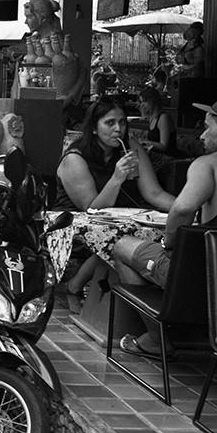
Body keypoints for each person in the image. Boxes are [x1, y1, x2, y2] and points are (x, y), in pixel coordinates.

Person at [113, 95, 217, 357]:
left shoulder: (208, 164)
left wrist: (169, 244)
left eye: (207, 128)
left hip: (203, 279)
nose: (201, 136)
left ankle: (157, 338)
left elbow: (183, 209)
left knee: (122, 246)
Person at [54, 97, 175, 309]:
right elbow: (90, 207)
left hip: (119, 222)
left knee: (146, 231)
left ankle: (139, 304)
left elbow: (153, 193)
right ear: (94, 128)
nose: (118, 129)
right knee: (123, 236)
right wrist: (117, 178)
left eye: (122, 122)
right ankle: (75, 284)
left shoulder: (129, 147)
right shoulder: (75, 157)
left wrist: (187, 208)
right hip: (75, 224)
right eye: (110, 123)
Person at [137, 86, 176, 171]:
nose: (142, 104)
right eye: (141, 102)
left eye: (145, 101)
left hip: (167, 158)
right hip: (156, 155)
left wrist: (144, 142)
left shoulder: (163, 117)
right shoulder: (152, 118)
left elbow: (163, 146)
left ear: (153, 101)